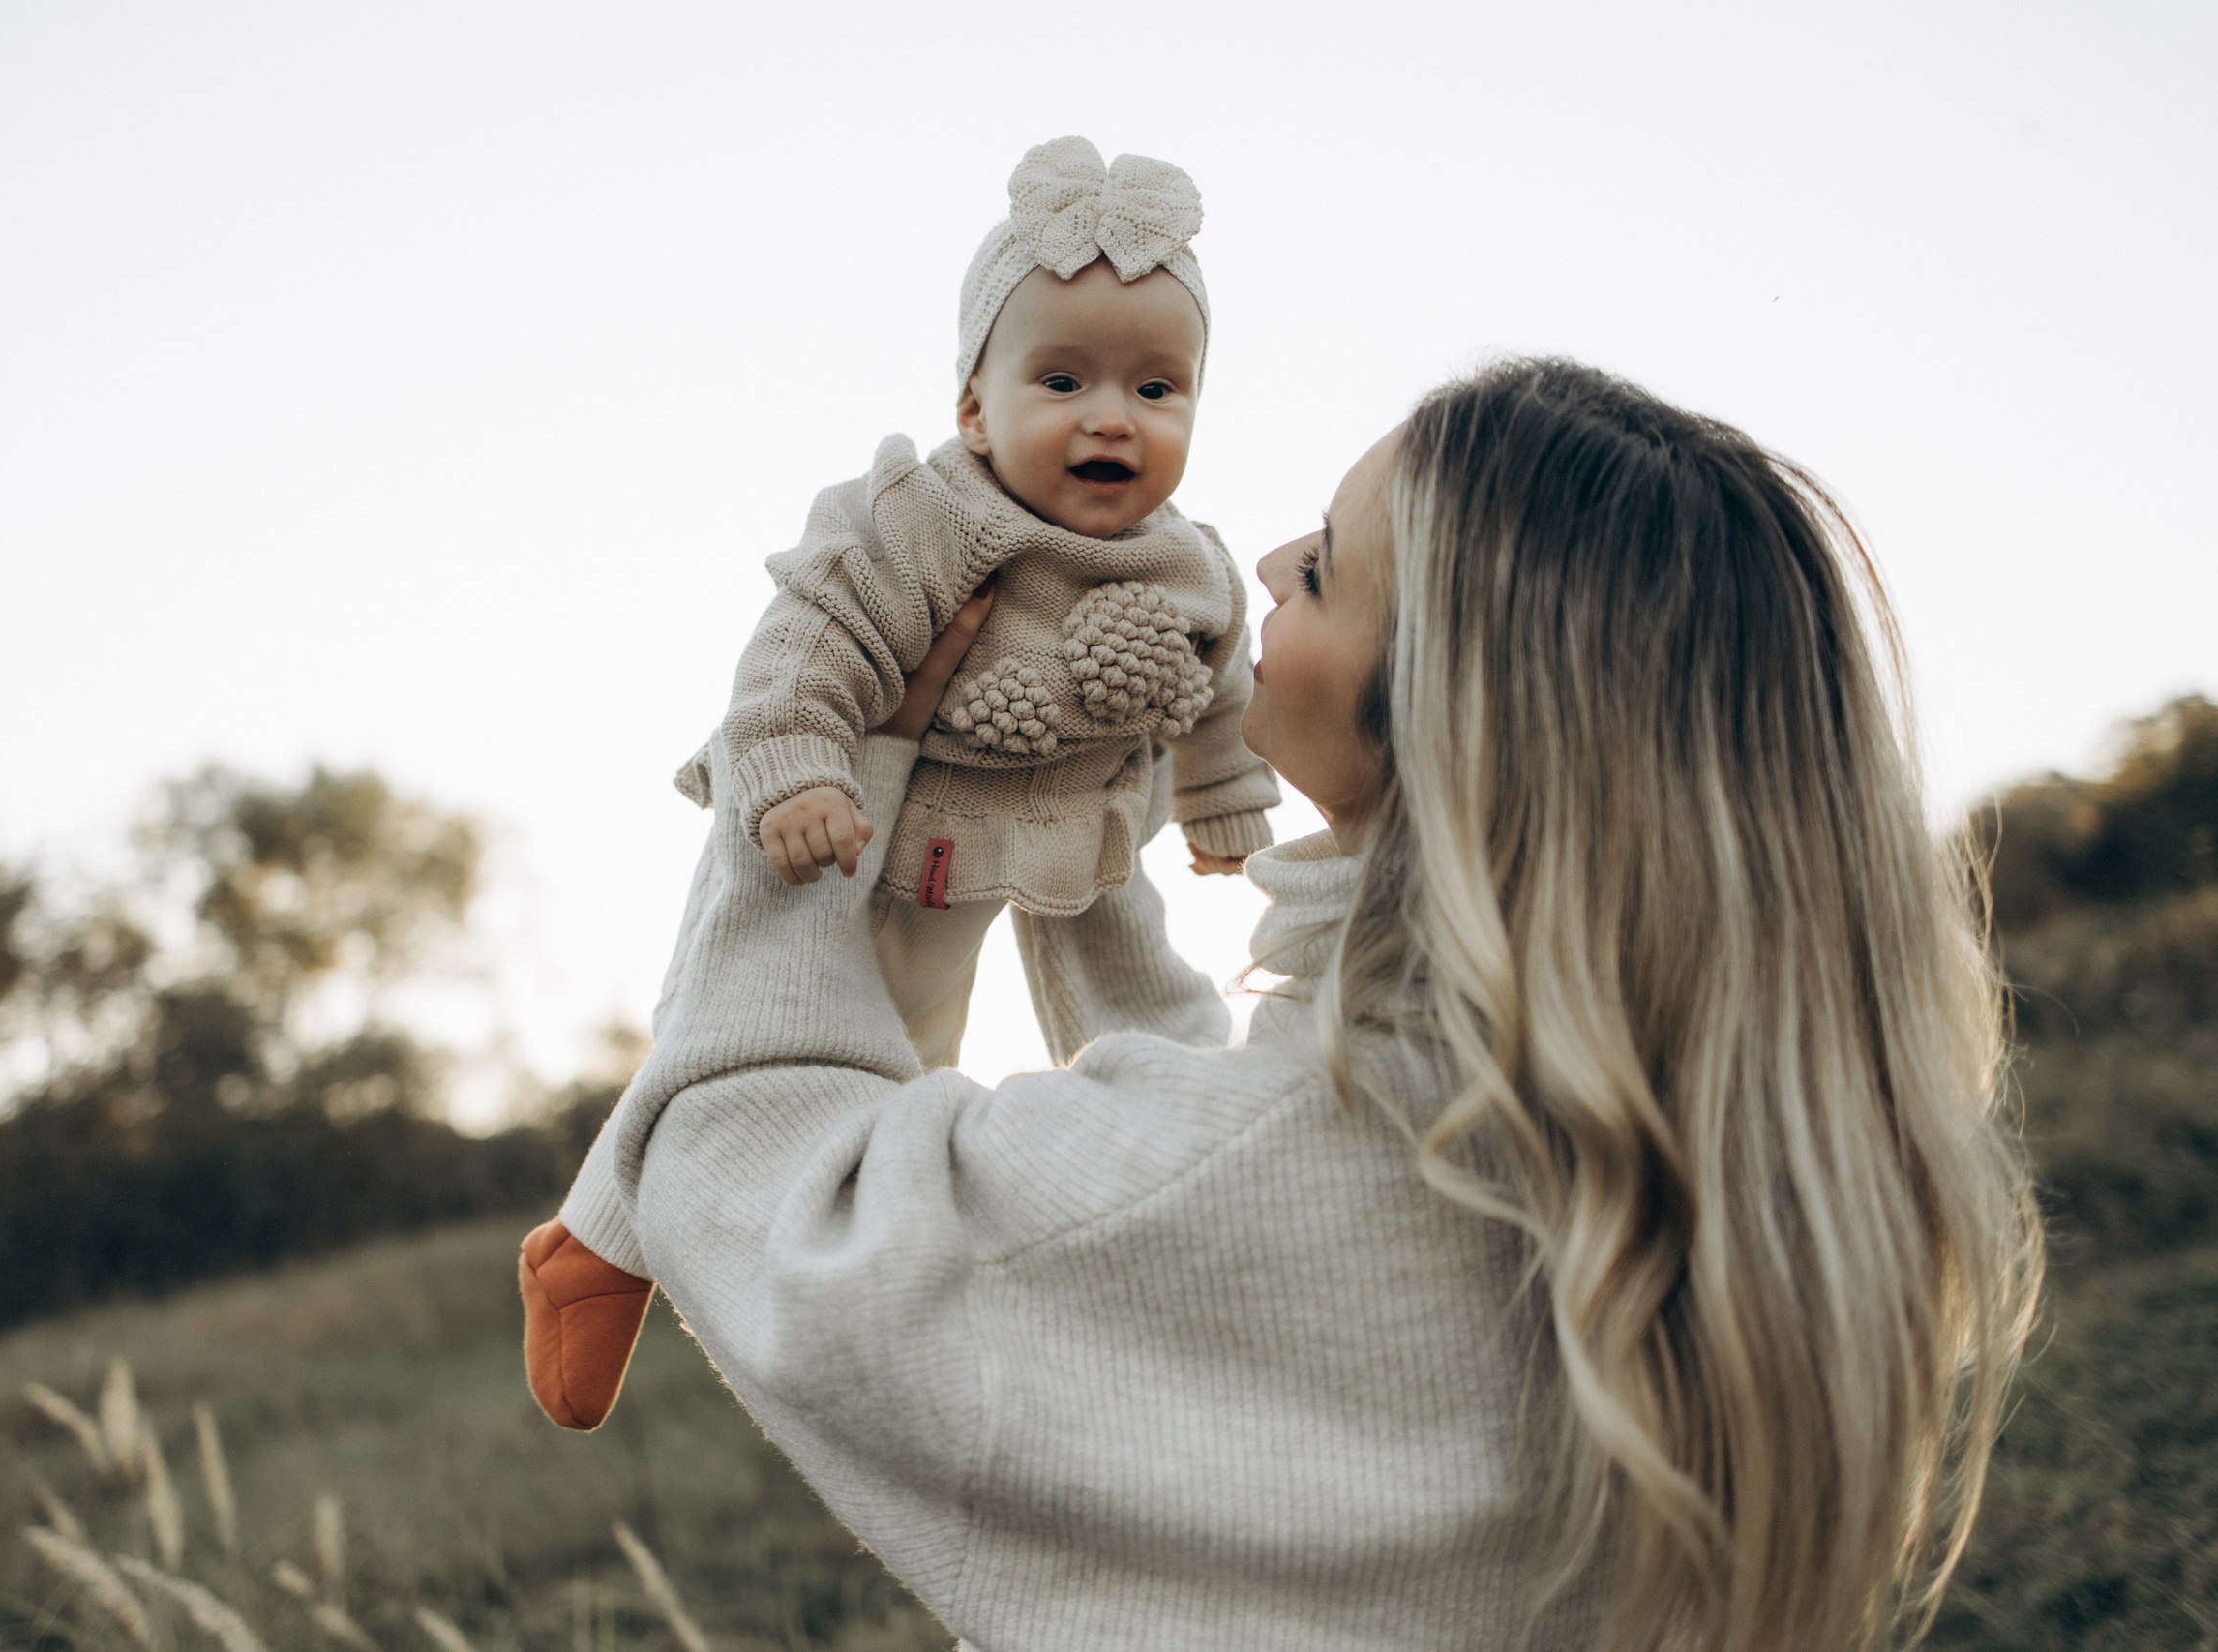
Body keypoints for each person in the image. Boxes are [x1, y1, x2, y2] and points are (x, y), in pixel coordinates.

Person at [525, 357, 2042, 1651]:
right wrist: (1089, 852)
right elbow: (1223, 1167)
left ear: (1453, 715)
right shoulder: (1736, 1185)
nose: (1257, 571)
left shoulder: (1305, 1160)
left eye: (1321, 568)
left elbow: (754, 1181)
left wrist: (815, 775)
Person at [521, 135, 1278, 1431]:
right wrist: (803, 773)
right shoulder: (931, 522)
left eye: (1160, 388)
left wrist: (1223, 809)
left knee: (1139, 1003)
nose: (1114, 416)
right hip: (887, 831)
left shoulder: (1192, 564)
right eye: (1063, 377)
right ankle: (598, 1245)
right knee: (782, 1032)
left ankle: (1221, 1159)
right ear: (977, 405)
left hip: (1087, 834)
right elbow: (804, 652)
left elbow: (1222, 699)